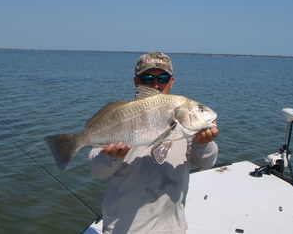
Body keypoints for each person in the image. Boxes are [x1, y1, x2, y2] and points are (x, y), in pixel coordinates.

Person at [88, 52, 219, 234]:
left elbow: (207, 163)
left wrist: (203, 143)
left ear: (171, 81)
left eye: (162, 78)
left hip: (173, 228)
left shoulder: (189, 128)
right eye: (147, 79)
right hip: (124, 228)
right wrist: (110, 157)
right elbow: (97, 170)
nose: (156, 84)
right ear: (137, 82)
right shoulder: (122, 115)